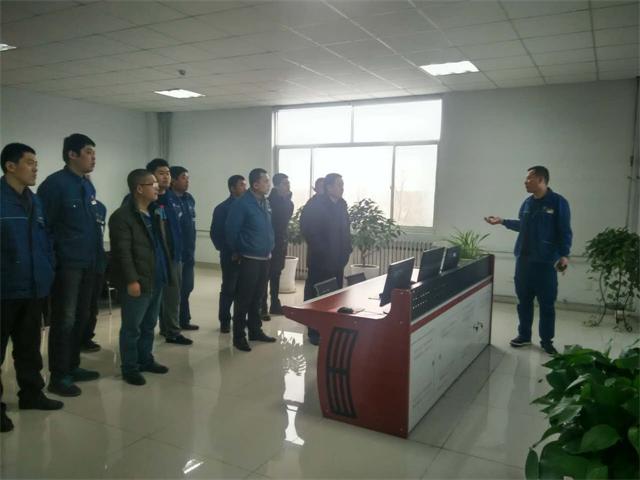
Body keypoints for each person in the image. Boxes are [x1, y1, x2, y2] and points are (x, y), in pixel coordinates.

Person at [1, 143, 63, 433]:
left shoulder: (35, 201)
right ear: (10, 166)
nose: (35, 167)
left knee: (29, 348)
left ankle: (31, 394)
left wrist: (48, 266)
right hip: (4, 289)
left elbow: (45, 238)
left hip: (33, 287)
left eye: (36, 162)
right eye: (29, 162)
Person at [37, 133, 101, 397]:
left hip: (89, 261)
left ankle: (73, 366)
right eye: (88, 152)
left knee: (82, 317)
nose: (93, 158)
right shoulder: (54, 185)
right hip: (67, 265)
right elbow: (44, 227)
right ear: (72, 154)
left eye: (94, 153)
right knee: (64, 319)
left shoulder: (86, 185)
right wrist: (54, 261)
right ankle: (59, 375)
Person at [485, 165, 572, 355]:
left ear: (540, 180)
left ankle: (546, 341)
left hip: (546, 263)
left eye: (529, 178)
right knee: (523, 301)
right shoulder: (527, 203)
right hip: (524, 262)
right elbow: (522, 226)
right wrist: (502, 221)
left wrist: (564, 255)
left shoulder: (558, 202)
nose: (525, 182)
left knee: (547, 304)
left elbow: (565, 231)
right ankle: (524, 336)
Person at [109, 169, 171, 385]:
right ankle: (130, 367)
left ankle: (146, 359)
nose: (157, 187)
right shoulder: (122, 216)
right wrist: (131, 280)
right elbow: (122, 252)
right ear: (139, 189)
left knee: (149, 324)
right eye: (152, 184)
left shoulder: (154, 212)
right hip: (138, 280)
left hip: (157, 277)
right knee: (132, 328)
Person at [225, 168, 277, 352]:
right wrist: (239, 250)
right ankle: (239, 336)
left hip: (264, 257)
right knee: (244, 299)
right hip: (249, 258)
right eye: (266, 181)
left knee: (258, 297)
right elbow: (231, 231)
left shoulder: (265, 202)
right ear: (255, 184)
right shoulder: (242, 204)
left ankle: (255, 330)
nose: (269, 184)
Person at [300, 173, 352, 345]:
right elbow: (310, 232)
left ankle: (330, 328)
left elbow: (346, 230)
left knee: (334, 296)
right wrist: (324, 252)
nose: (342, 188)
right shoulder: (316, 205)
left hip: (338, 260)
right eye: (339, 185)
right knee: (317, 296)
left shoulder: (342, 205)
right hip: (320, 261)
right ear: (328, 187)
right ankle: (314, 331)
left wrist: (347, 251)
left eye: (343, 184)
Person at [146, 159, 192, 346]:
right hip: (154, 257)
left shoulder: (173, 199)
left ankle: (171, 330)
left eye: (168, 173)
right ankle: (165, 330)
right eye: (161, 173)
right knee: (155, 299)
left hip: (174, 255)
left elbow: (178, 229)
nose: (166, 177)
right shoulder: (147, 199)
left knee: (173, 296)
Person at [210, 175, 247, 333]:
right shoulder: (222, 208)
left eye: (245, 185)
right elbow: (216, 234)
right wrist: (230, 251)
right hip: (230, 255)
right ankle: (224, 321)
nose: (245, 188)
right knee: (229, 289)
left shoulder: (247, 206)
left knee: (244, 289)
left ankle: (240, 319)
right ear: (232, 188)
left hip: (247, 255)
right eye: (241, 185)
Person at [170, 166, 199, 331]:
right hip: (176, 254)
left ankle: (184, 320)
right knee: (174, 292)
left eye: (188, 178)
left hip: (188, 253)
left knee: (187, 288)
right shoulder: (168, 200)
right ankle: (172, 324)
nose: (187, 181)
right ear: (173, 180)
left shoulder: (189, 199)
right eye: (183, 178)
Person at [261, 172, 294, 317]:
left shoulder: (288, 203)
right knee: (265, 276)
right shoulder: (268, 203)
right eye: (285, 183)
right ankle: (262, 306)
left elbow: (284, 223)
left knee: (276, 274)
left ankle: (275, 303)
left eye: (288, 183)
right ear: (277, 186)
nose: (288, 186)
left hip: (281, 244)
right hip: (269, 244)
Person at [81, 199, 107, 353]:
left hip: (97, 263)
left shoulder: (100, 207)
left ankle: (87, 337)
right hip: (80, 263)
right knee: (81, 307)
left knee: (92, 306)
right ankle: (77, 339)